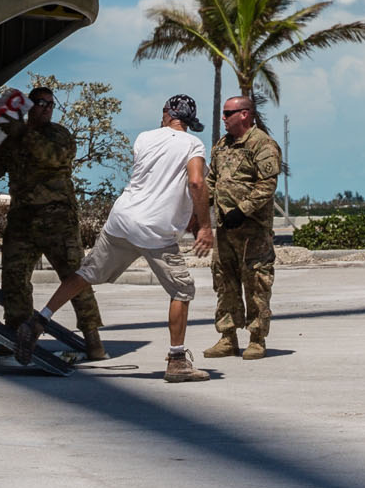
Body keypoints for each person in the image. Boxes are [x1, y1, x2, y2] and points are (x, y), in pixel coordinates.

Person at [42, 95, 212, 382]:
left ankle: (39, 320)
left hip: (122, 220)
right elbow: (195, 182)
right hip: (156, 231)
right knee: (182, 291)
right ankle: (177, 360)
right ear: (188, 121)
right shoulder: (193, 144)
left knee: (85, 273)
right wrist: (205, 225)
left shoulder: (144, 138)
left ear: (166, 113)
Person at [0, 85, 108, 362]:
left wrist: (21, 132)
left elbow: (54, 156)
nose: (46, 108)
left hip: (57, 219)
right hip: (22, 218)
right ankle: (16, 335)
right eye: (40, 103)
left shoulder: (58, 134)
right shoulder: (12, 136)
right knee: (14, 281)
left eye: (50, 104)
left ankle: (92, 338)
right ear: (28, 106)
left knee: (75, 277)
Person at [205, 93, 284, 360]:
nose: (223, 118)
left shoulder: (262, 144)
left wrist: (243, 210)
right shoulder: (222, 145)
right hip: (226, 231)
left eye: (228, 113)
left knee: (256, 284)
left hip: (253, 232)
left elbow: (267, 185)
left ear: (245, 114)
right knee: (224, 282)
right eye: (223, 113)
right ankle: (227, 337)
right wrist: (198, 205)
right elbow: (212, 180)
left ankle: (257, 338)